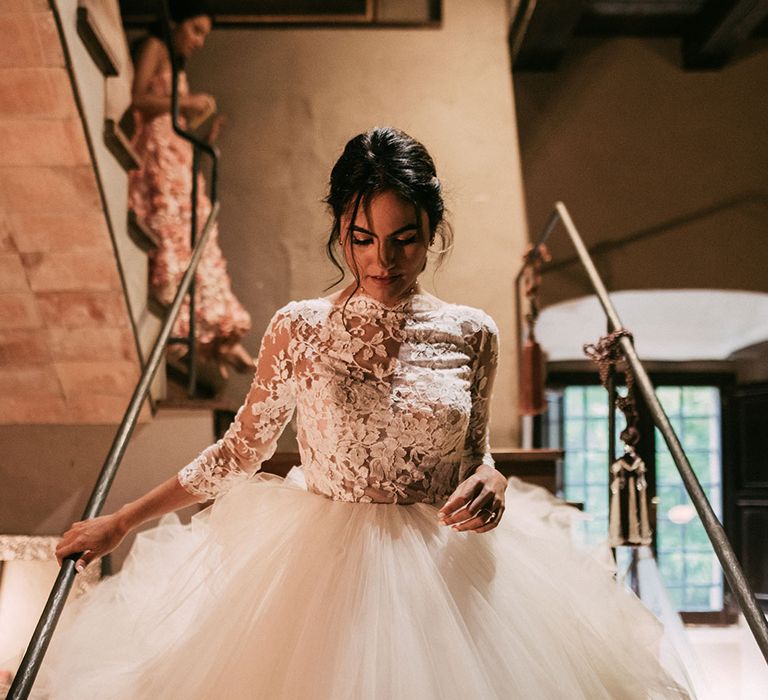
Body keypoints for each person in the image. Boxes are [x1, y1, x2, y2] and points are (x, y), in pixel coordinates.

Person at [41, 127, 693, 699]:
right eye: (362, 238)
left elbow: (475, 454)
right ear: (339, 230)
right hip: (321, 578)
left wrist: (490, 479)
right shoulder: (299, 328)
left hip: (447, 577)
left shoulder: (473, 332)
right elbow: (240, 451)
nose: (382, 260)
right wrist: (122, 521)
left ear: (432, 231)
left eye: (404, 240)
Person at [129, 0, 253, 378]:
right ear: (177, 24)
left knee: (196, 237)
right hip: (158, 154)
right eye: (196, 30)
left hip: (176, 154)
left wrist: (201, 131)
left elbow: (168, 114)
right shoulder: (156, 48)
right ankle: (194, 338)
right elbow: (137, 99)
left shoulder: (175, 62)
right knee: (176, 235)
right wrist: (185, 101)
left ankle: (218, 339)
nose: (199, 41)